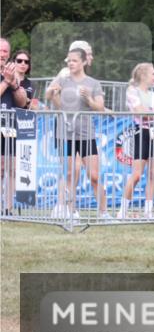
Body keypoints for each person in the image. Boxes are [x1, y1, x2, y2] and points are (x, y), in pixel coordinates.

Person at [46, 48, 109, 218]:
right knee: (69, 173)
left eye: (74, 60)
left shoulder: (93, 83)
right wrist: (53, 94)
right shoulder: (63, 79)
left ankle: (103, 212)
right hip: (65, 134)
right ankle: (70, 210)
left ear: (83, 62)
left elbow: (101, 109)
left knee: (94, 176)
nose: (70, 63)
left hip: (86, 134)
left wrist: (89, 99)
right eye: (69, 60)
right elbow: (54, 101)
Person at [121, 62, 154, 218]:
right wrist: (153, 113)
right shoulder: (132, 91)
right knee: (137, 174)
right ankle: (123, 209)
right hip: (141, 132)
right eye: (153, 73)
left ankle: (148, 210)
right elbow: (140, 112)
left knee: (153, 173)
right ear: (143, 76)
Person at [1, 46, 34, 216]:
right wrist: (6, 82)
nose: (2, 54)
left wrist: (14, 85)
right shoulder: (6, 77)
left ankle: (8, 208)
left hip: (10, 126)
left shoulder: (15, 76)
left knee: (12, 168)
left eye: (5, 51)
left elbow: (23, 103)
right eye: (0, 50)